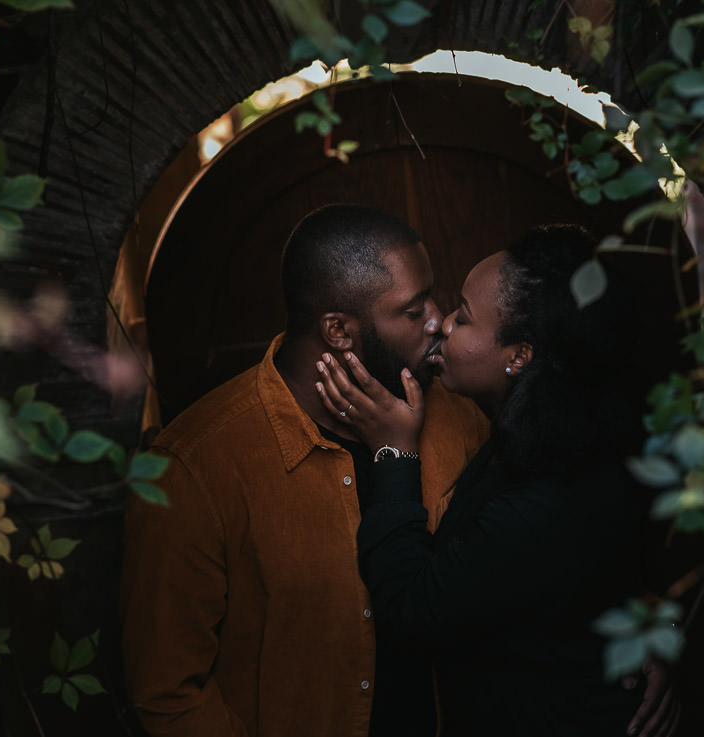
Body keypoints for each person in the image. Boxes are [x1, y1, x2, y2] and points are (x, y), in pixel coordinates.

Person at [119, 204, 490, 737]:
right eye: (413, 309)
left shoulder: (458, 419)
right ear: (338, 330)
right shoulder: (196, 465)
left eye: (432, 296)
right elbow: (168, 691)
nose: (438, 319)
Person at [314, 224, 688, 736]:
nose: (441, 325)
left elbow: (411, 610)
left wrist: (393, 451)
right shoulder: (545, 432)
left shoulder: (548, 497)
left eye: (463, 317)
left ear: (519, 356)